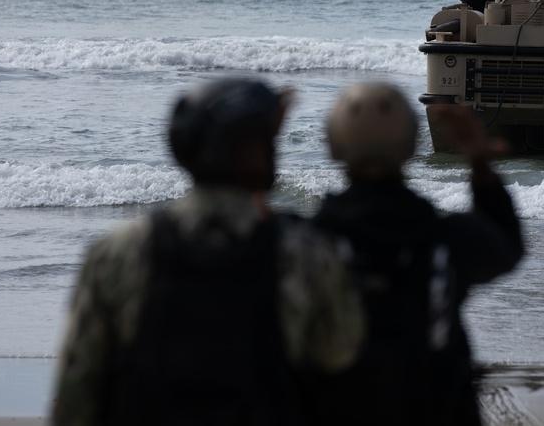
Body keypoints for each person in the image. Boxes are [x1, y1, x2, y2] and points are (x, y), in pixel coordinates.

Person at [51, 78, 364, 426]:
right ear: (254, 152)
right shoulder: (305, 255)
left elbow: (75, 395)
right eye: (264, 139)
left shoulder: (116, 254)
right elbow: (340, 359)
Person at [302, 82, 525, 426]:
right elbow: (507, 248)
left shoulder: (304, 245)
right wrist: (478, 163)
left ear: (333, 146)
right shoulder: (445, 237)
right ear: (409, 147)